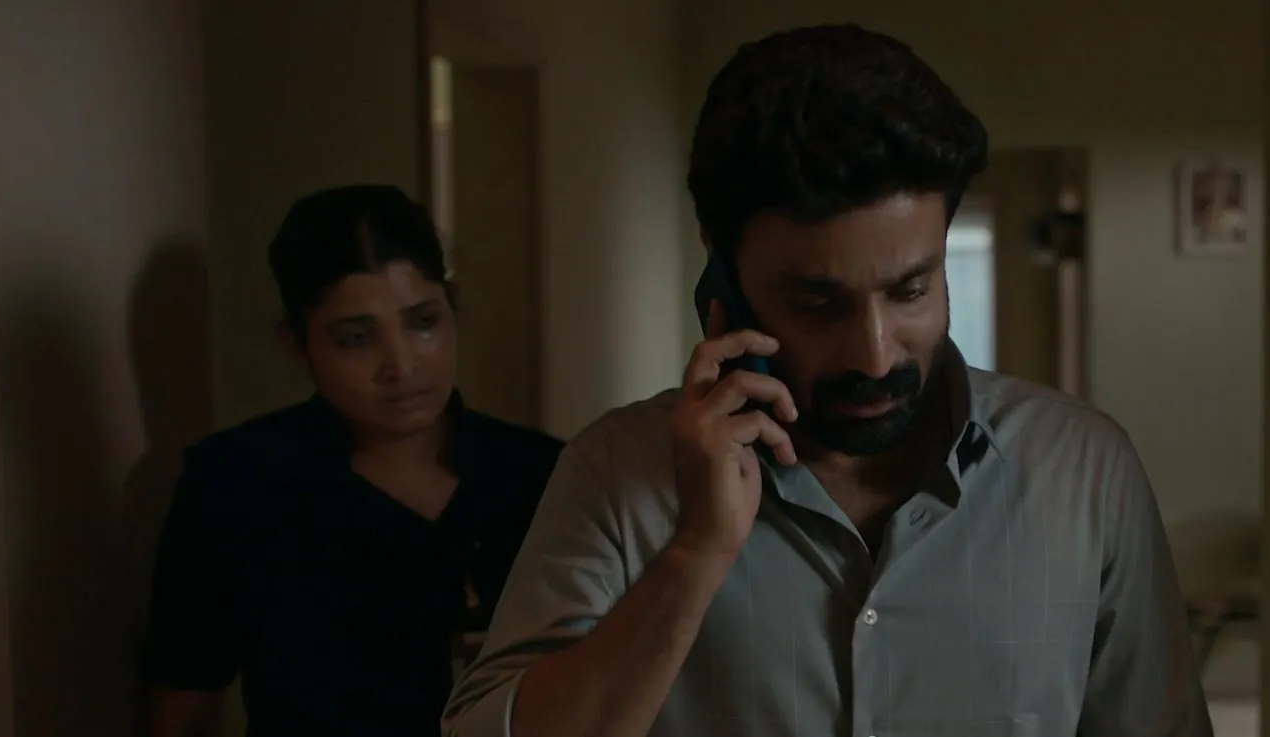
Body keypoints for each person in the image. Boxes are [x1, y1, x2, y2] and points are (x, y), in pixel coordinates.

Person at [444, 24, 1212, 737]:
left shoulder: (1084, 471)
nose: (874, 356)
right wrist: (694, 555)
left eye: (911, 290)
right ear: (722, 275)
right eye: (817, 304)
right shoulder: (617, 473)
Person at [140, 184, 565, 737]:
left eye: (423, 321)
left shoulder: (539, 475)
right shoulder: (237, 486)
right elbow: (182, 709)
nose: (401, 365)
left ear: (451, 305)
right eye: (357, 338)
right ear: (298, 344)